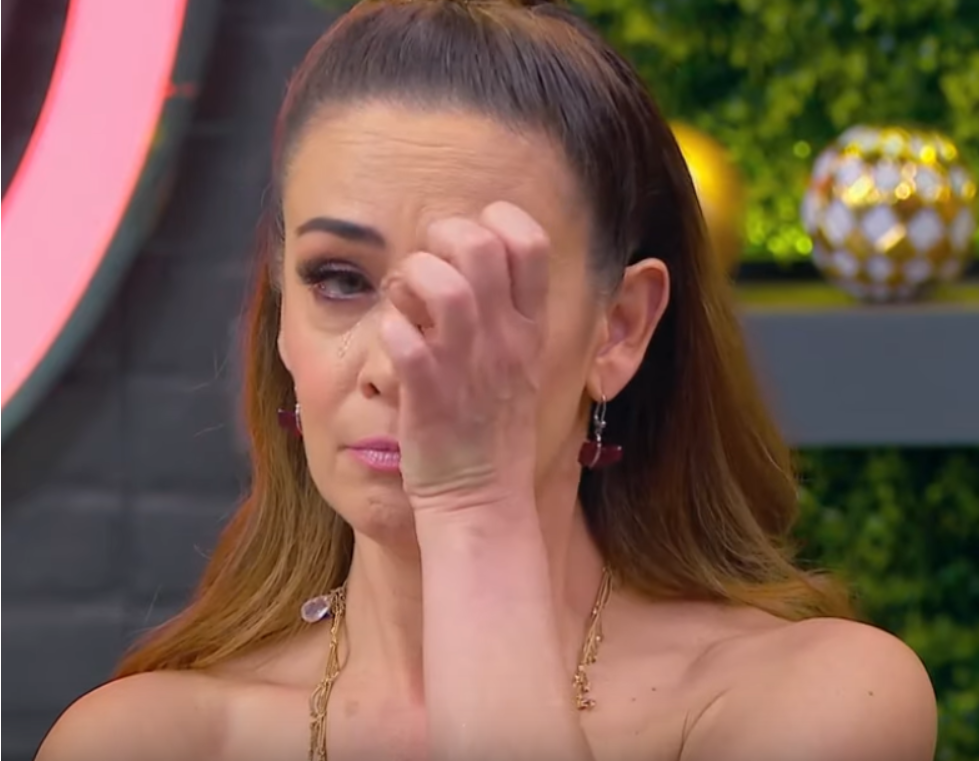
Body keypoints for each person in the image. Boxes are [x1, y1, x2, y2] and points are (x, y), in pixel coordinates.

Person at [37, 1, 937, 760]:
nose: (397, 363)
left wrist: (473, 506)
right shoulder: (149, 737)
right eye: (340, 280)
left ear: (619, 329)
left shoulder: (812, 698)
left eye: (480, 293)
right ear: (282, 319)